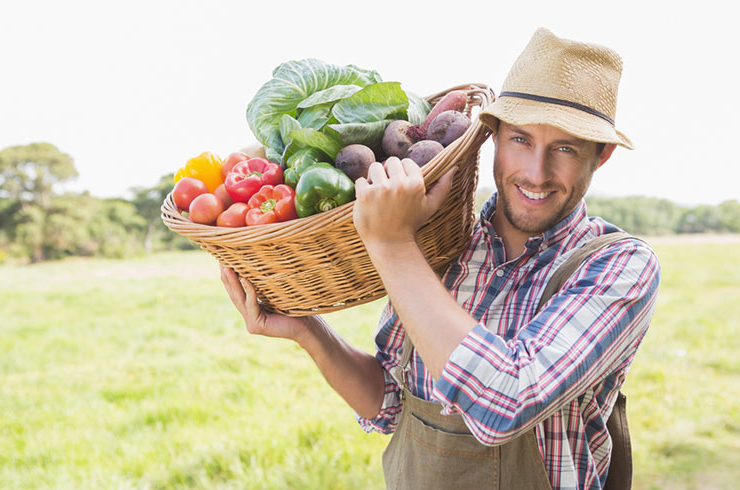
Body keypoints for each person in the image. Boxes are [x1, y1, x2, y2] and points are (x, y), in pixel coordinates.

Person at [220, 27, 660, 490]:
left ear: (601, 156)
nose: (536, 172)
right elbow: (390, 402)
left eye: (565, 149)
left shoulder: (618, 266)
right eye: (521, 140)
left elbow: (506, 402)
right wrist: (307, 329)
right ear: (492, 136)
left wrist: (392, 245)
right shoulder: (438, 247)